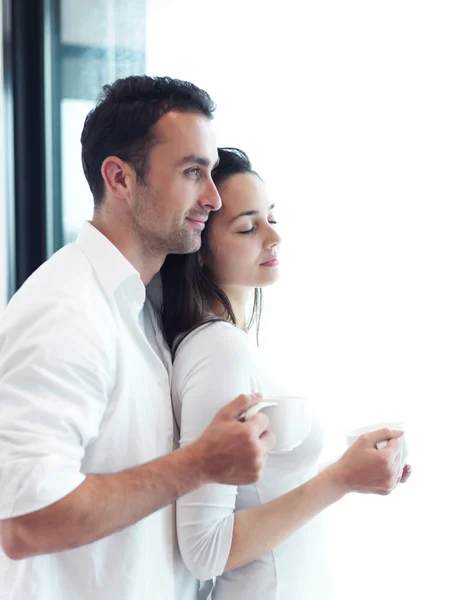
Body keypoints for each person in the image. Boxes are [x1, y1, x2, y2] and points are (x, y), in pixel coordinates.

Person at [0, 77, 275, 600]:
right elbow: (24, 523)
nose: (214, 198)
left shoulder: (138, 307)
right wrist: (200, 464)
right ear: (120, 179)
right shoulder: (66, 311)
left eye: (211, 173)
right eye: (194, 172)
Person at [160, 147, 412, 599]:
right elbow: (204, 548)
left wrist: (353, 467)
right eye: (248, 227)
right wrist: (340, 479)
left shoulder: (235, 344)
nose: (273, 238)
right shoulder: (219, 350)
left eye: (272, 218)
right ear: (199, 250)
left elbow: (266, 488)